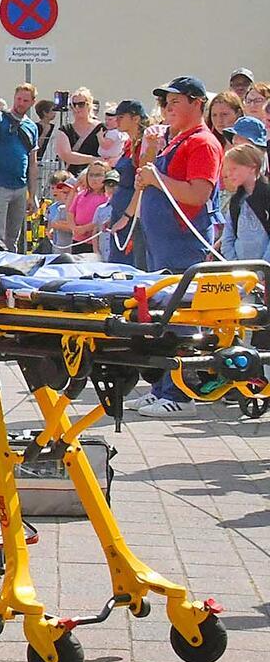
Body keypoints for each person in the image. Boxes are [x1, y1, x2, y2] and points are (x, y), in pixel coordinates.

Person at [129, 76, 223, 418]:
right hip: (160, 241)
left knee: (181, 317)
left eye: (176, 101)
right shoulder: (174, 140)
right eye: (165, 102)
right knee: (161, 316)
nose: (167, 108)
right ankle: (161, 388)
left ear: (197, 103)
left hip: (182, 242)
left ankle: (181, 394)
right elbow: (147, 176)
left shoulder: (202, 143)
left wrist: (157, 179)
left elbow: (198, 194)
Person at [0, 83, 40, 249]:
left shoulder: (32, 127)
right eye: (18, 98)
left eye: (25, 100)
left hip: (20, 187)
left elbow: (33, 163)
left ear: (32, 102)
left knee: (13, 237)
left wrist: (32, 194)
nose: (20, 103)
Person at [98, 99, 148, 265]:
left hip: (133, 217)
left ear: (135, 119)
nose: (116, 120)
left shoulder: (144, 146)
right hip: (120, 212)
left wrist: (127, 216)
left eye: (121, 116)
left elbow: (141, 186)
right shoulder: (128, 144)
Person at [220, 142, 270, 262]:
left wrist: (264, 269)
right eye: (227, 170)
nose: (229, 174)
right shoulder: (236, 201)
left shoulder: (266, 195)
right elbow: (228, 237)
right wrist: (235, 265)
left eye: (234, 168)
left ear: (252, 167)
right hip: (241, 273)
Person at [51, 87, 106, 171]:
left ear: (89, 105)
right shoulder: (65, 130)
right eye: (73, 104)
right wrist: (94, 159)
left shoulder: (101, 128)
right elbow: (66, 155)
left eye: (81, 104)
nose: (77, 108)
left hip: (97, 176)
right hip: (73, 179)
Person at [67, 161, 114, 255]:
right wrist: (74, 228)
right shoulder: (81, 195)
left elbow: (103, 218)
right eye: (91, 175)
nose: (94, 179)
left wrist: (85, 228)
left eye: (98, 175)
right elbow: (70, 212)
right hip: (77, 240)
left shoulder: (107, 197)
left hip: (95, 241)